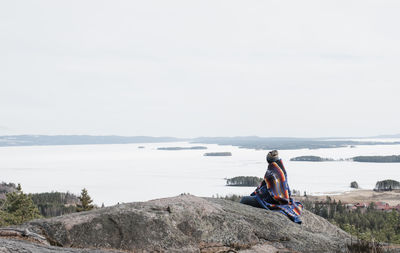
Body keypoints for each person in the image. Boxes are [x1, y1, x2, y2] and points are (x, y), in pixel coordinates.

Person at [240, 150, 303, 223]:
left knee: (244, 200)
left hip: (272, 201)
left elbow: (270, 192)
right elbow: (285, 189)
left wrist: (260, 194)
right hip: (281, 199)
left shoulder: (272, 172)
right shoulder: (281, 169)